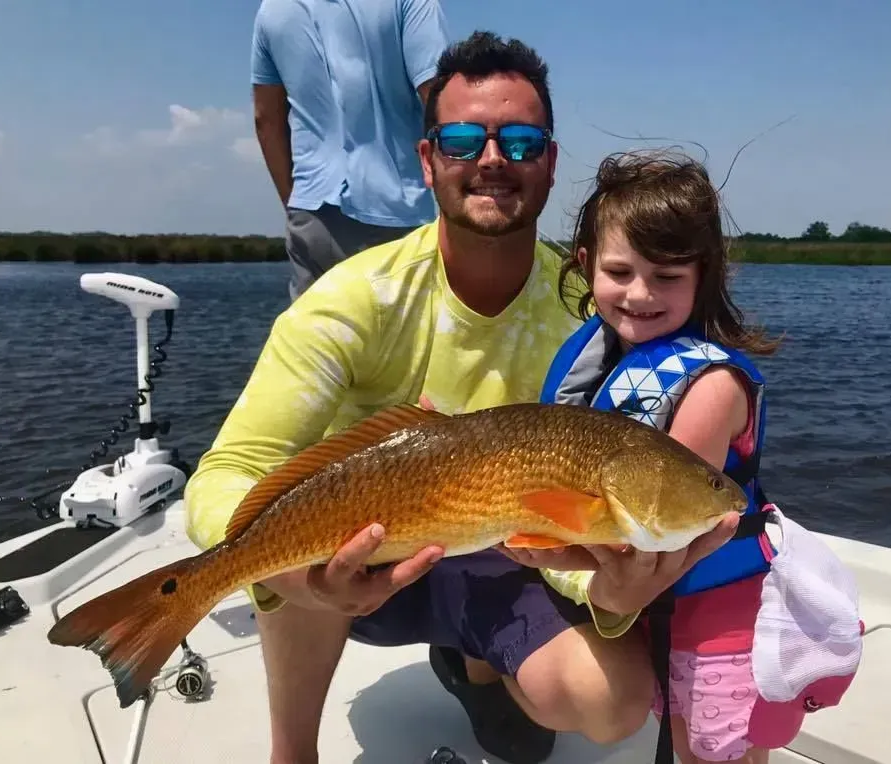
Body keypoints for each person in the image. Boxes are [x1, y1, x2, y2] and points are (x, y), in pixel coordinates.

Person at [184, 32, 738, 764]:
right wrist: (298, 571)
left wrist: (610, 598)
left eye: (520, 140)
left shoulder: (598, 318)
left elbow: (596, 493)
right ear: (427, 159)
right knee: (296, 534)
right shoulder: (351, 300)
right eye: (461, 139)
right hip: (363, 570)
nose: (491, 159)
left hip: (509, 562)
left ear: (549, 163)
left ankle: (475, 660)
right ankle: (293, 752)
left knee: (614, 707)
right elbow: (229, 472)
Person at [532, 150, 864, 763]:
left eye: (667, 276)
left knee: (718, 752)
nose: (639, 294)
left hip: (721, 621)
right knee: (685, 742)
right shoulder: (600, 358)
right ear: (585, 266)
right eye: (620, 271)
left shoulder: (709, 388)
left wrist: (552, 544)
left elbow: (661, 520)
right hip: (664, 609)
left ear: (702, 275)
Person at [249, 0, 451, 300]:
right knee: (406, 343)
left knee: (312, 343)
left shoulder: (273, 9)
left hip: (310, 215)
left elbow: (266, 119)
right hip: (395, 216)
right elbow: (442, 103)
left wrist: (295, 201)